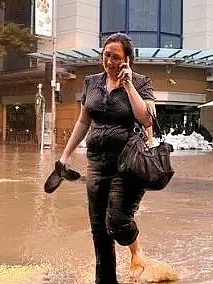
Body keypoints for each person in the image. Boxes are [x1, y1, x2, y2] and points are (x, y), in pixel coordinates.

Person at [57, 32, 155, 283]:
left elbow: (146, 120)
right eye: (106, 55)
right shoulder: (91, 82)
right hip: (97, 162)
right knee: (99, 230)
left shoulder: (142, 82)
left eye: (116, 57)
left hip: (129, 163)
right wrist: (65, 156)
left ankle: (137, 251)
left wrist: (129, 85)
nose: (109, 61)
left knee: (117, 220)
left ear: (128, 59)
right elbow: (83, 121)